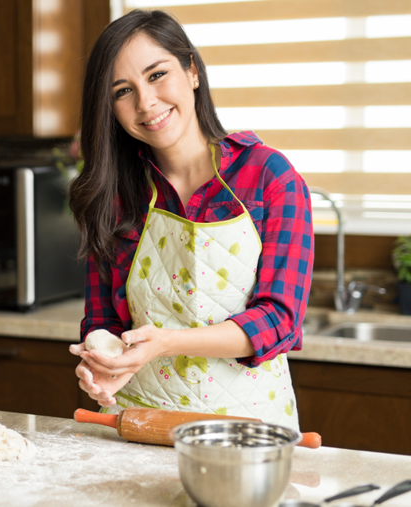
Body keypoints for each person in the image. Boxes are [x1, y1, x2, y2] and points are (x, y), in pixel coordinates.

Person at [68, 10, 313, 430]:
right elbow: (102, 318)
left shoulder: (268, 177)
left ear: (192, 72)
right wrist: (103, 359)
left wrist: (165, 343)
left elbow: (278, 320)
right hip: (139, 422)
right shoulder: (113, 196)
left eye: (157, 75)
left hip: (246, 432)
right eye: (123, 91)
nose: (146, 103)